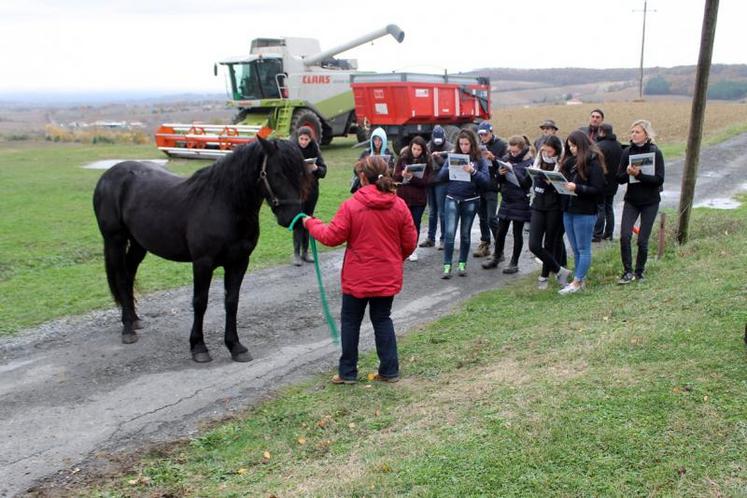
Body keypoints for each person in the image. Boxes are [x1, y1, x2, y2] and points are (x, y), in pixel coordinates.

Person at [303, 156, 417, 384]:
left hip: (358, 278)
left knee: (351, 322)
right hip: (385, 275)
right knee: (382, 319)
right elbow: (410, 241)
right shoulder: (399, 205)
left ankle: (348, 373)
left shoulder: (352, 205)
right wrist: (395, 258)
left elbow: (331, 236)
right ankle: (390, 370)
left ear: (363, 177)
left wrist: (310, 222)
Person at [435, 129, 490, 278]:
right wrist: (451, 168)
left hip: (471, 200)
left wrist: (473, 172)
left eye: (467, 144)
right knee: (449, 233)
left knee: (465, 234)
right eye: (461, 144)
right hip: (452, 197)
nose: (464, 147)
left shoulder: (479, 160)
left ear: (472, 144)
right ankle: (447, 266)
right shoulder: (453, 156)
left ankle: (462, 264)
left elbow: (486, 181)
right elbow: (440, 176)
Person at [616, 119, 665, 284]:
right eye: (632, 132)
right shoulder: (627, 152)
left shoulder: (655, 152)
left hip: (650, 201)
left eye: (637, 132)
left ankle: (639, 272)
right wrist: (628, 173)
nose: (633, 135)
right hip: (632, 200)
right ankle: (627, 272)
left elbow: (659, 179)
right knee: (624, 236)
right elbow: (619, 179)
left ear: (646, 134)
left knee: (642, 240)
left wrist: (639, 175)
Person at [558, 130, 606, 295]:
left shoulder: (594, 161)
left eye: (574, 146)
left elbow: (598, 189)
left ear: (582, 144)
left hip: (585, 211)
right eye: (569, 146)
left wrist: (577, 187)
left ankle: (577, 281)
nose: (571, 149)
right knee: (575, 249)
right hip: (568, 209)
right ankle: (579, 280)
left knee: (584, 248)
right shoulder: (569, 162)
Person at [527, 135, 573, 289]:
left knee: (550, 243)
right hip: (538, 204)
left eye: (549, 150)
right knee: (534, 244)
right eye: (544, 149)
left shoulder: (563, 162)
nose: (546, 153)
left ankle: (544, 276)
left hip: (555, 206)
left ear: (556, 150)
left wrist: (552, 182)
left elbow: (565, 185)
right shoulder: (539, 158)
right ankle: (560, 270)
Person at [482, 135, 532, 273]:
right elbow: (498, 180)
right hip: (506, 199)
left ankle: (514, 263)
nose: (513, 154)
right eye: (511, 151)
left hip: (520, 201)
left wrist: (514, 171)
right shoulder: (505, 159)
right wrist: (500, 173)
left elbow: (527, 183)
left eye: (516, 152)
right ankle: (497, 257)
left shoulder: (529, 162)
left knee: (517, 233)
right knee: (501, 231)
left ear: (522, 149)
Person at [291, 126, 327, 266]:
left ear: (310, 139)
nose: (304, 142)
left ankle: (305, 252)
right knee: (298, 221)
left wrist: (316, 168)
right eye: (301, 139)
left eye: (306, 139)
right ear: (298, 138)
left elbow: (324, 171)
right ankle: (296, 254)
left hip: (312, 191)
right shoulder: (293, 150)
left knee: (308, 220)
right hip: (298, 191)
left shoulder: (315, 149)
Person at [472, 120, 507, 260]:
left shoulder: (501, 145)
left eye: (485, 134)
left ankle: (500, 250)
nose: (483, 137)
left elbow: (506, 164)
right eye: (480, 135)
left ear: (491, 132)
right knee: (482, 217)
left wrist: (494, 158)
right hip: (480, 184)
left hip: (493, 185)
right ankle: (485, 244)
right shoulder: (479, 146)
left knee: (492, 218)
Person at [393, 136, 432, 261]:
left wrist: (412, 178)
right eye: (414, 148)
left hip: (418, 199)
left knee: (415, 224)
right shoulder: (403, 158)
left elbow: (426, 181)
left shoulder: (427, 161)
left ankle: (412, 249)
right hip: (403, 197)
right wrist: (402, 175)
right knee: (402, 224)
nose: (416, 151)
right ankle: (400, 247)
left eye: (419, 149)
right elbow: (395, 177)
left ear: (423, 150)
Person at [422, 125, 451, 250]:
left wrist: (439, 159)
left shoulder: (450, 148)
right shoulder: (427, 147)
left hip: (442, 182)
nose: (437, 143)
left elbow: (451, 164)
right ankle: (430, 238)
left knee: (442, 212)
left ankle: (444, 239)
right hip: (430, 182)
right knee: (432, 212)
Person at [593, 123, 623, 242]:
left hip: (601, 181)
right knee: (609, 208)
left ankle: (597, 234)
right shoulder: (619, 145)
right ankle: (609, 233)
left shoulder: (599, 146)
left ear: (602, 132)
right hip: (613, 182)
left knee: (600, 208)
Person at [351, 127, 395, 193]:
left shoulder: (389, 154)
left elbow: (392, 171)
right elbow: (357, 169)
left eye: (380, 140)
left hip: (383, 184)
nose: (377, 142)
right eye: (375, 140)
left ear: (384, 141)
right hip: (367, 183)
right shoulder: (366, 153)